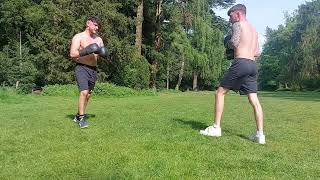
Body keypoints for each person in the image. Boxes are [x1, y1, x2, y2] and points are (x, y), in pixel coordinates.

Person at [200, 4, 265, 144]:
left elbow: (234, 42)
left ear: (238, 14)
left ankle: (216, 128)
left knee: (219, 93)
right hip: (252, 65)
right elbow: (258, 52)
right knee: (254, 101)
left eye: (231, 16)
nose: (230, 20)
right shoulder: (254, 30)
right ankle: (260, 135)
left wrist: (227, 42)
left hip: (240, 63)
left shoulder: (238, 24)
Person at [69, 16, 107, 128]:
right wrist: (86, 51)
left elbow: (101, 54)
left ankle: (77, 115)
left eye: (98, 25)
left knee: (88, 95)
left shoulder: (99, 40)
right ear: (88, 23)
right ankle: (81, 119)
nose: (97, 27)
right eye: (95, 25)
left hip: (93, 69)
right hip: (81, 67)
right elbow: (72, 54)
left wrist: (103, 53)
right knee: (84, 92)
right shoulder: (79, 37)